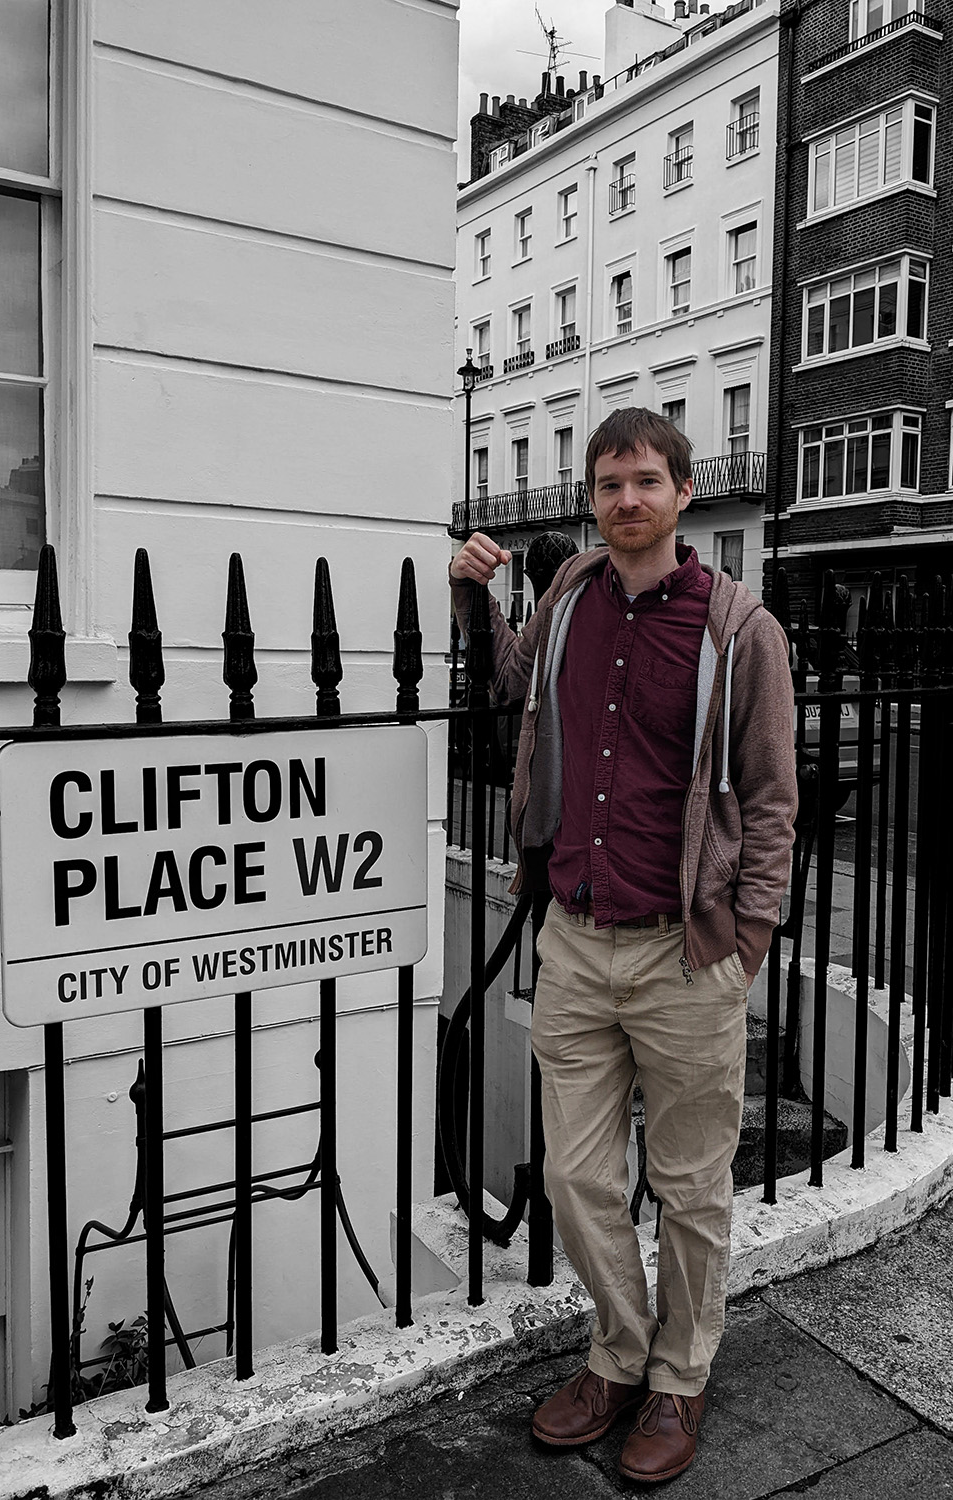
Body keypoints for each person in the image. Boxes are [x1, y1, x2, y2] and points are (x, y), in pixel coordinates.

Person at [449, 407, 797, 1484]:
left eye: (646, 480)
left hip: (683, 951)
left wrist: (748, 935)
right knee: (581, 1178)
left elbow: (775, 801)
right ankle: (618, 1351)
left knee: (690, 1184)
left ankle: (679, 1382)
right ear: (592, 500)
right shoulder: (566, 597)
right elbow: (507, 689)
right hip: (574, 933)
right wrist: (472, 595)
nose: (627, 500)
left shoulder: (741, 630)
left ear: (682, 493)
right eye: (609, 484)